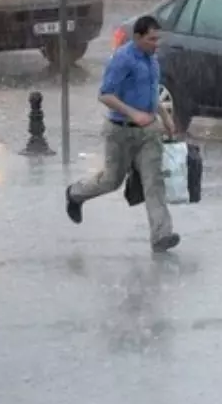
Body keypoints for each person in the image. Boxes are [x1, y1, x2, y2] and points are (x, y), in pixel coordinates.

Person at [65, 15, 180, 253]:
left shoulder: (152, 60)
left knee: (154, 182)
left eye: (157, 39)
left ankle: (161, 235)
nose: (155, 44)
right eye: (151, 39)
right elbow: (105, 94)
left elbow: (152, 95)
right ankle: (75, 194)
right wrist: (133, 114)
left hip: (148, 133)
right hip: (119, 132)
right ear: (137, 37)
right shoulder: (123, 59)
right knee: (111, 180)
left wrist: (167, 119)